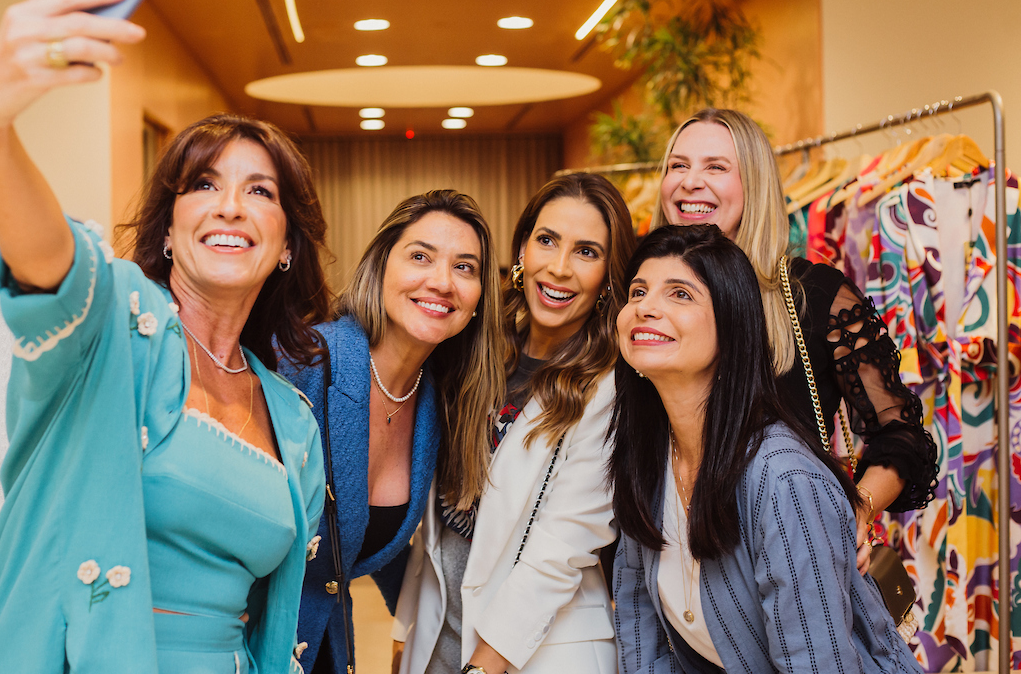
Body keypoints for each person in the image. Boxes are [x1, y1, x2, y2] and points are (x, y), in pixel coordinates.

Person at [0, 0, 327, 674]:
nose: (230, 206)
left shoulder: (293, 421)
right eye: (204, 184)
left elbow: (272, 614)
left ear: (285, 245)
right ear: (168, 229)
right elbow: (47, 263)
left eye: (261, 192)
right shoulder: (115, 324)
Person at [610, 222, 923, 673]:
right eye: (638, 292)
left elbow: (815, 666)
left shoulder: (783, 478)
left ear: (732, 325)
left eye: (680, 294)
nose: (645, 308)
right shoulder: (650, 455)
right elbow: (640, 624)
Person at [653, 107, 938, 570]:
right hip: (668, 565)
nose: (690, 181)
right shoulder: (641, 304)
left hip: (792, 565)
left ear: (755, 185)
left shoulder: (814, 296)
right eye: (678, 165)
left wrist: (857, 509)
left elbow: (900, 436)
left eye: (716, 167)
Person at [394, 173, 637, 674]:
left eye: (587, 252)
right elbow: (436, 529)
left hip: (537, 650)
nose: (560, 268)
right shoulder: (476, 347)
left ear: (610, 275)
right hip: (441, 635)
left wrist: (484, 667)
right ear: (522, 248)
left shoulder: (613, 386)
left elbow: (563, 548)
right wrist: (405, 634)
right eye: (546, 240)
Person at [284, 190, 507, 674]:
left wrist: (434, 636)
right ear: (381, 265)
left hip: (324, 641)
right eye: (421, 257)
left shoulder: (439, 403)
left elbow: (372, 541)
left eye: (465, 268)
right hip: (249, 639)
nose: (442, 282)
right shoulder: (304, 362)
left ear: (479, 299)